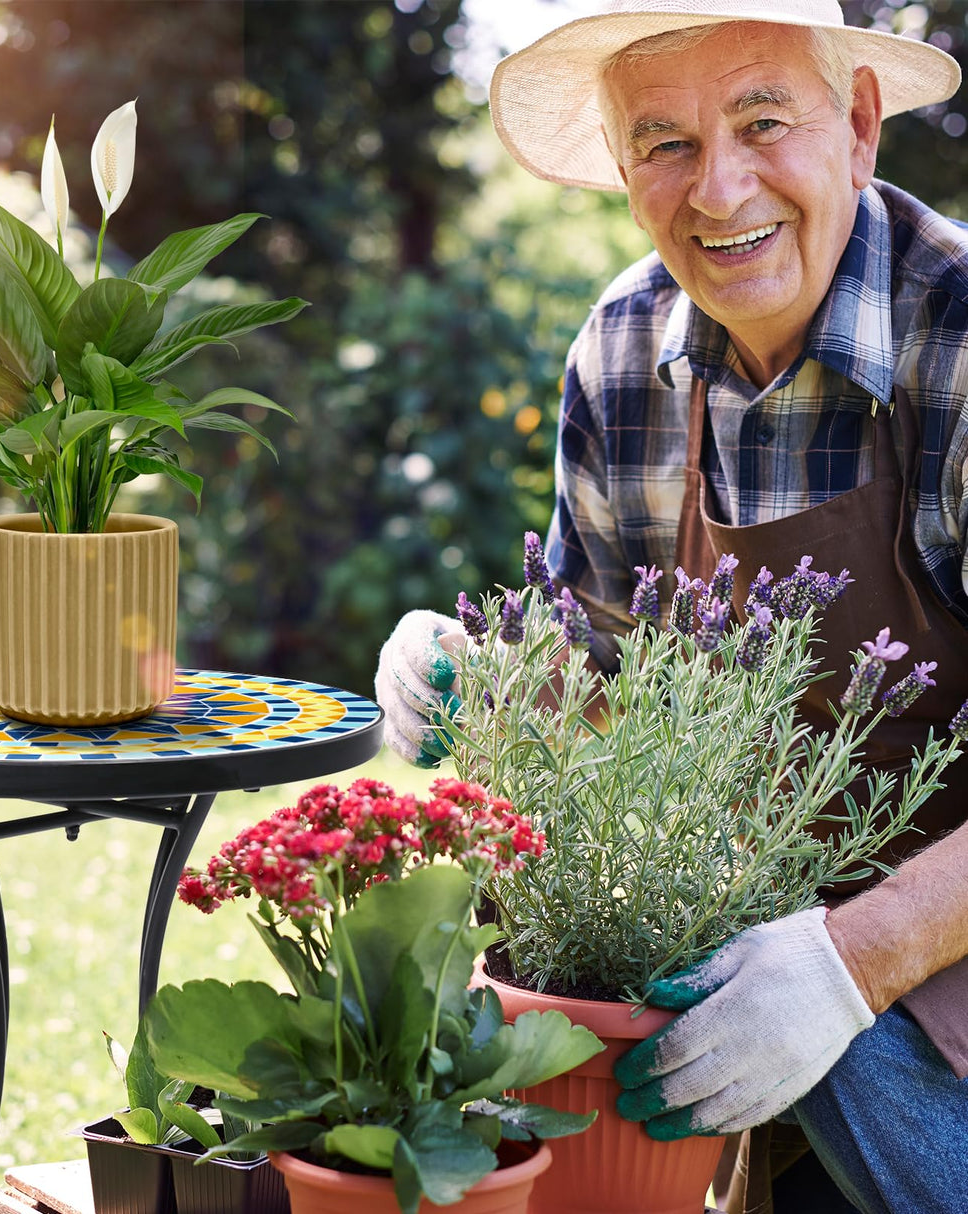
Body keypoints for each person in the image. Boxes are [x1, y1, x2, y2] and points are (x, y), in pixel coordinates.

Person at [374, 2, 968, 1211]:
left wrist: (849, 964)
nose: (718, 188)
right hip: (770, 992)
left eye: (762, 120)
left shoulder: (955, 340)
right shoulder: (622, 349)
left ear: (856, 127)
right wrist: (479, 680)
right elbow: (606, 710)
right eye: (664, 144)